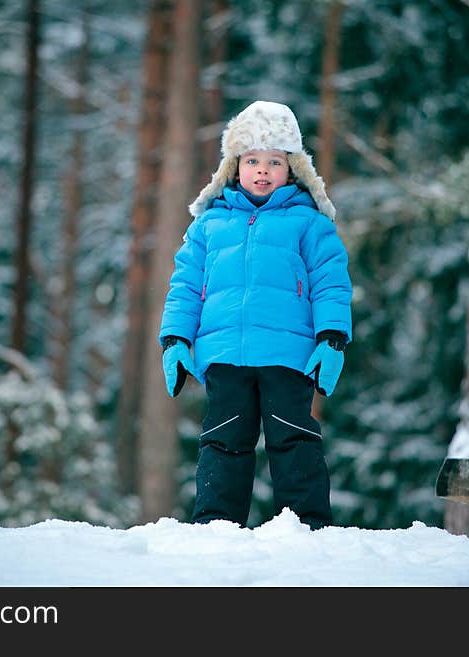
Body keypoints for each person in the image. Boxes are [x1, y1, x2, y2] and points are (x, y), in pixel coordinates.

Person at [158, 100, 352, 530]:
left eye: (273, 161)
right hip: (225, 353)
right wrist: (175, 340)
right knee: (223, 440)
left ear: (293, 169)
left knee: (293, 439)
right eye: (251, 160)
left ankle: (308, 527)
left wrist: (332, 336)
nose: (262, 170)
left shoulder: (309, 222)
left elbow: (330, 282)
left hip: (288, 354)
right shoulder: (209, 224)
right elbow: (185, 286)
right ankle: (215, 526)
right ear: (234, 166)